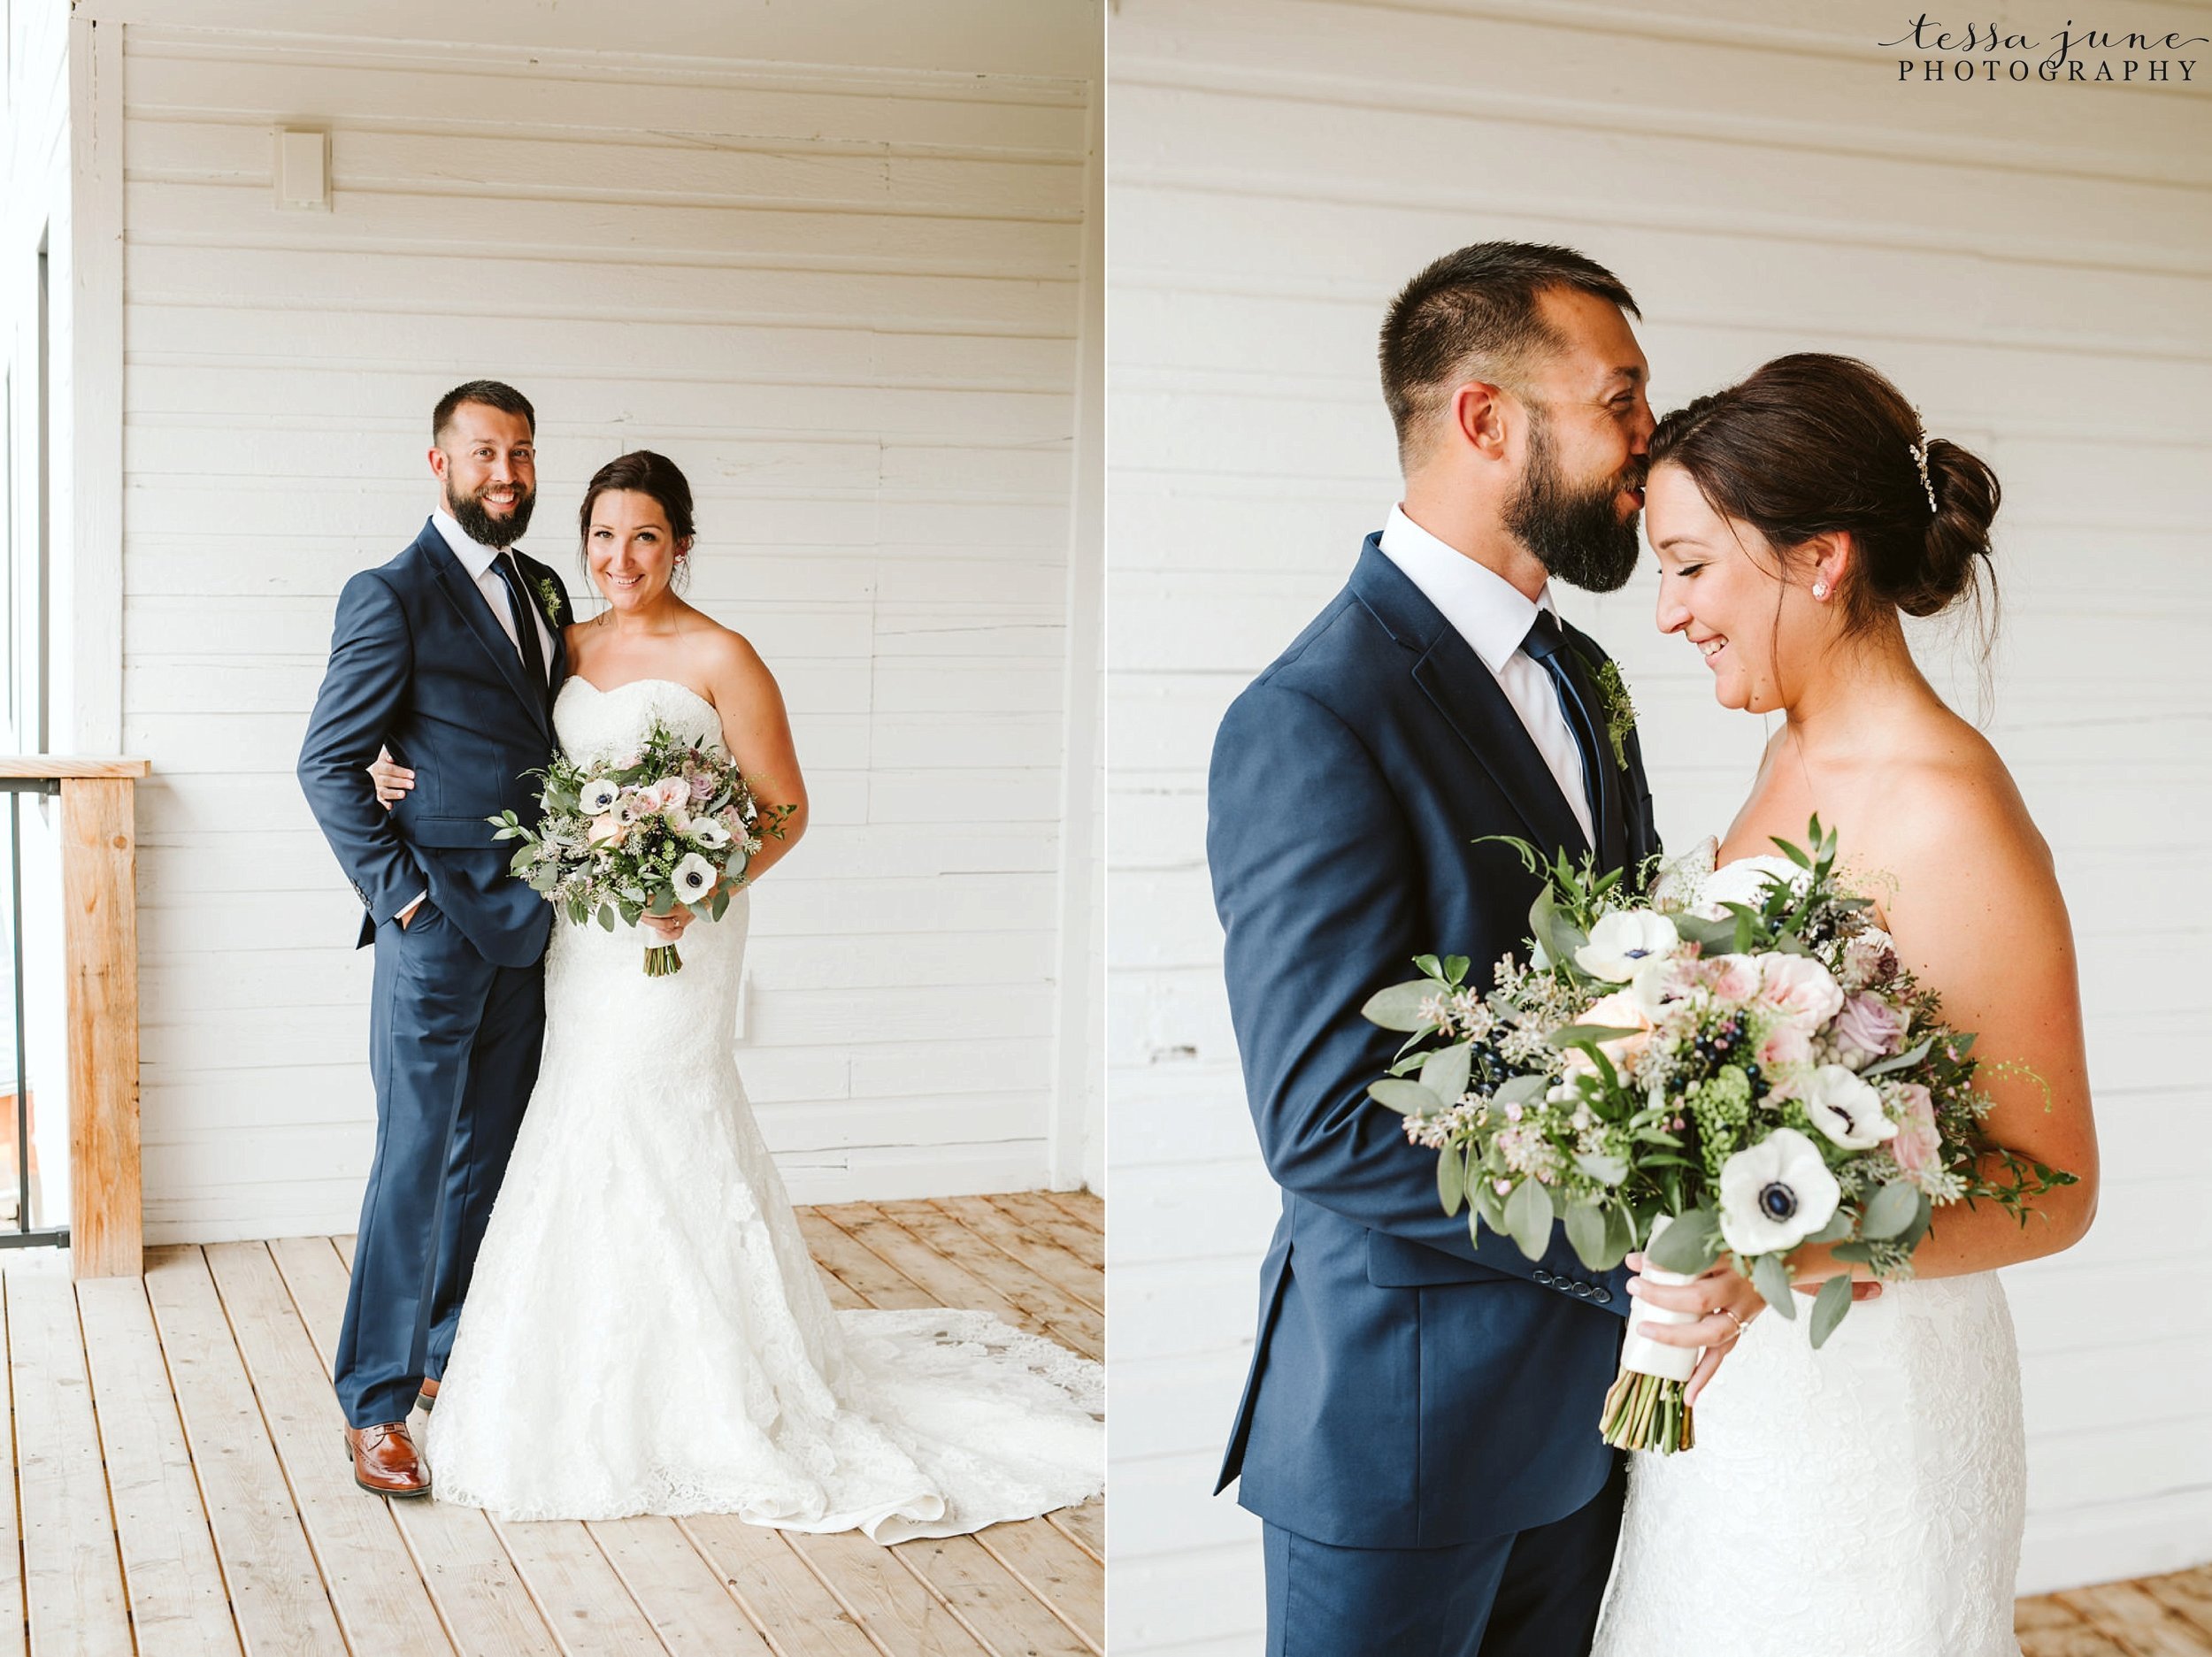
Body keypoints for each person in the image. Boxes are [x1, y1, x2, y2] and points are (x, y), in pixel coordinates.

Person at [373, 449, 1102, 1536]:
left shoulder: (722, 653)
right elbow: (488, 744)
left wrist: (696, 882)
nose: (621, 559)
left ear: (682, 543)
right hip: (582, 937)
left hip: (680, 935)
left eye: (646, 538)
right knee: (575, 1114)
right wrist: (393, 762)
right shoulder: (560, 643)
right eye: (604, 537)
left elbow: (784, 805)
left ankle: (709, 1384)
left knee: (657, 1111)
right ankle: (564, 1363)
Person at [1591, 354, 2098, 1655]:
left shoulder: (1947, 808)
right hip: (1736, 1419)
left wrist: (1801, 1253)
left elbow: (2056, 1184)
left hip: (1875, 1430)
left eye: (1693, 565)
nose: (1669, 613)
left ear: (1821, 559)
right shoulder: (1787, 750)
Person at [1206, 242, 1664, 1656]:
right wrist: (1636, 1254)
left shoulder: (1585, 675)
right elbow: (1328, 1120)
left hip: (1588, 1431)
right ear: (1486, 419)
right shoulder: (1313, 716)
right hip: (1399, 1434)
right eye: (1624, 403)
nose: (1653, 447)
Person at [297, 379, 574, 1498]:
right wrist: (403, 896)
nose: (505, 475)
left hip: (534, 918)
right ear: (437, 463)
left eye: (521, 455)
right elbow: (327, 760)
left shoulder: (543, 585)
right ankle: (374, 1401)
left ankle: (447, 1357)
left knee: (487, 1155)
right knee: (414, 1156)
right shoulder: (391, 593)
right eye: (483, 455)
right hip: (434, 924)